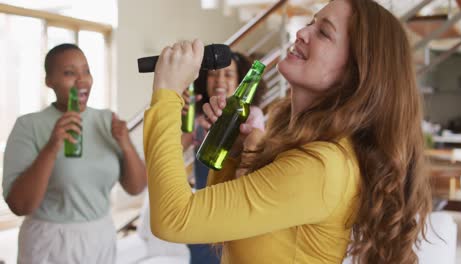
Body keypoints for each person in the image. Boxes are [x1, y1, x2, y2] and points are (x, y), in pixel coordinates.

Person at [143, 0, 432, 263]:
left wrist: (167, 93)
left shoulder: (321, 166)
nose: (302, 33)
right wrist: (236, 153)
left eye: (324, 33)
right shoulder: (299, 146)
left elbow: (174, 218)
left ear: (356, 72)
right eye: (310, 23)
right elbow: (221, 228)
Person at [2, 43, 147, 264]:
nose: (82, 80)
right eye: (69, 73)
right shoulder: (29, 126)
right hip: (49, 242)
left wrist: (125, 143)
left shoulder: (106, 120)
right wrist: (52, 147)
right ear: (49, 81)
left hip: (100, 238)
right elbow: (20, 206)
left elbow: (136, 187)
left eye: (86, 71)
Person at [181, 52, 266, 264]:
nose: (219, 80)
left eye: (228, 75)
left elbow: (253, 166)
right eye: (213, 74)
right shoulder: (199, 116)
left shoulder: (252, 115)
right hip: (201, 215)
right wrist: (181, 117)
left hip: (232, 215)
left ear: (240, 81)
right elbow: (173, 150)